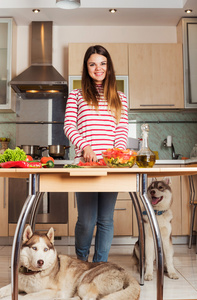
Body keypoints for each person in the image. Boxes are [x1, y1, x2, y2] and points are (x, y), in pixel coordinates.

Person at [64, 45, 129, 262]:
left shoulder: (120, 98)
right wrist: (85, 147)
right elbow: (69, 126)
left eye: (102, 63)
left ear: (108, 67)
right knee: (86, 220)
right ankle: (81, 263)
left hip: (110, 167)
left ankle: (99, 266)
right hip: (85, 166)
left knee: (105, 220)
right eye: (92, 64)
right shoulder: (76, 95)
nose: (98, 68)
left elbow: (121, 131)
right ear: (87, 67)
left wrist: (116, 154)